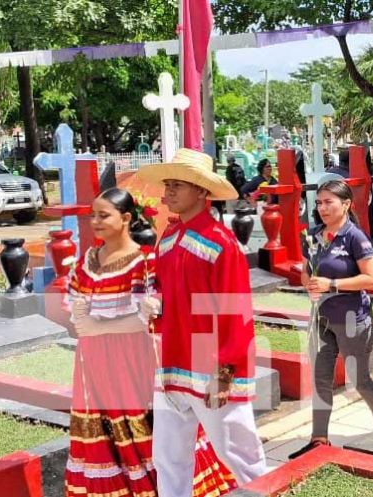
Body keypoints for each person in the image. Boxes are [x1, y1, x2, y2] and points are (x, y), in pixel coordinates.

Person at [64, 187, 237, 497]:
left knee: (148, 431)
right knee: (102, 434)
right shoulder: (86, 262)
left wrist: (95, 326)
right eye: (93, 215)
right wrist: (81, 323)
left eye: (104, 215)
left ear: (126, 218)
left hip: (133, 360)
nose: (96, 222)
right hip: (91, 364)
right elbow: (76, 319)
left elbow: (148, 321)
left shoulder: (145, 263)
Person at [136, 149, 266, 495]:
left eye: (177, 185)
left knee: (241, 455)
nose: (168, 193)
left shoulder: (221, 243)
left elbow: (236, 311)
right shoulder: (168, 238)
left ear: (202, 191)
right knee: (168, 457)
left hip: (212, 369)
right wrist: (151, 301)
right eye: (168, 185)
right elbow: (163, 288)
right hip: (171, 364)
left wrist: (225, 373)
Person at [289, 180, 373, 458]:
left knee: (358, 379)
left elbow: (371, 278)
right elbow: (307, 271)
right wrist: (309, 282)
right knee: (321, 378)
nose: (322, 207)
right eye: (318, 202)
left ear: (346, 204)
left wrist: (331, 285)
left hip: (352, 319)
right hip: (321, 317)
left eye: (328, 201)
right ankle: (319, 438)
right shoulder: (313, 235)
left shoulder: (355, 237)